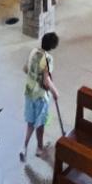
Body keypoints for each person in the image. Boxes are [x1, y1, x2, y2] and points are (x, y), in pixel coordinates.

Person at [20, 31, 60, 162]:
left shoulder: (33, 52)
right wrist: (55, 92)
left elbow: (25, 69)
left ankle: (24, 147)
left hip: (29, 92)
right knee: (40, 123)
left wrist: (35, 73)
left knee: (30, 122)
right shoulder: (47, 58)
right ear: (52, 46)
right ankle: (39, 148)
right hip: (40, 96)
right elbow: (46, 82)